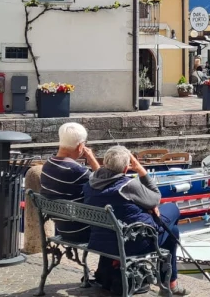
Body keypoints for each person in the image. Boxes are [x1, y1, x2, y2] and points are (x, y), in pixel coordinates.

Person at [84, 146, 187, 296]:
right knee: (173, 210)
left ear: (105, 163)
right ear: (126, 168)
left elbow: (120, 205)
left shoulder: (91, 182)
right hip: (131, 243)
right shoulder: (128, 185)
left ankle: (170, 283)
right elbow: (156, 197)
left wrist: (143, 207)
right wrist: (141, 171)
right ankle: (169, 284)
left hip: (101, 241)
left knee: (173, 232)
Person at [41, 123, 100, 243]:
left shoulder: (47, 165)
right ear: (80, 147)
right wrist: (92, 159)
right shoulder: (78, 171)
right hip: (82, 231)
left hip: (62, 228)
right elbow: (105, 182)